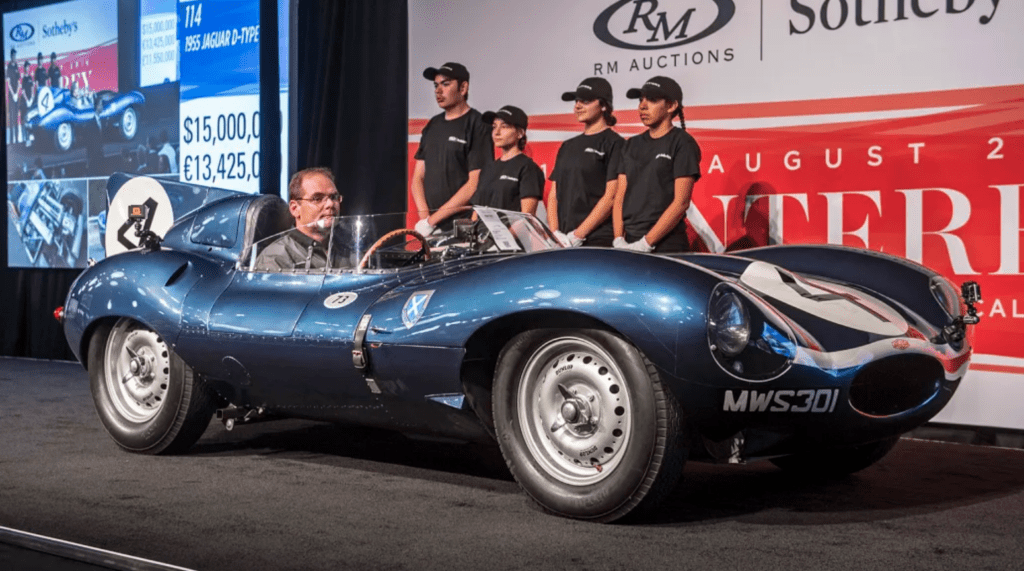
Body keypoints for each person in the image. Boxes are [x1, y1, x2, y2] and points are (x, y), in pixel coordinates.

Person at [613, 76, 701, 254]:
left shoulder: (683, 143)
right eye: (641, 100)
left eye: (652, 100)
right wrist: (618, 239)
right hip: (628, 244)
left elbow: (681, 202)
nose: (642, 106)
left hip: (667, 245)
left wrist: (645, 243)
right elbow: (620, 195)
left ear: (671, 106)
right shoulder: (630, 144)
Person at [411, 62, 493, 235]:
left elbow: (474, 184)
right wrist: (425, 220)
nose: (438, 91)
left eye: (446, 84)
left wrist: (432, 221)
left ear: (463, 88)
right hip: (431, 229)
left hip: (462, 227)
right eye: (436, 85)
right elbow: (418, 178)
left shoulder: (478, 125)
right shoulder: (432, 125)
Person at [547, 77, 623, 248]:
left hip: (597, 240)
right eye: (576, 101)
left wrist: (578, 234)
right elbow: (554, 194)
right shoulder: (567, 146)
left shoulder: (615, 143)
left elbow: (612, 196)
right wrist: (554, 233)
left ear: (604, 105)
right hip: (563, 242)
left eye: (586, 101)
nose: (577, 106)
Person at [253, 167, 348, 271]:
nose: (330, 204)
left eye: (334, 197)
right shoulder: (276, 259)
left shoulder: (350, 249)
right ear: (295, 209)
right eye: (317, 198)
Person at [468, 105, 544, 215]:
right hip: (483, 232)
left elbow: (527, 216)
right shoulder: (487, 169)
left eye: (504, 126)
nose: (496, 132)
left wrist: (504, 233)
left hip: (509, 232)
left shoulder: (528, 168)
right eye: (494, 126)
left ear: (520, 133)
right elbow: (477, 211)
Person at [7, 49, 21, 143]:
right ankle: (11, 140)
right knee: (11, 117)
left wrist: (17, 93)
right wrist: (13, 94)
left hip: (16, 95)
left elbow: (19, 82)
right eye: (13, 56)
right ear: (11, 56)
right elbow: (8, 83)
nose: (14, 57)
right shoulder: (8, 67)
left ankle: (16, 139)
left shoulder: (16, 66)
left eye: (15, 56)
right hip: (11, 96)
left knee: (16, 117)